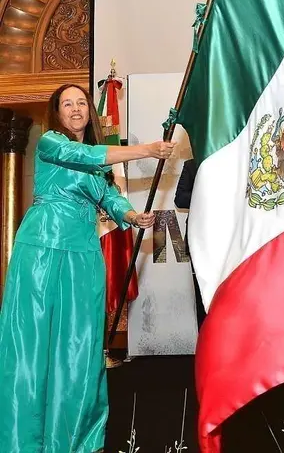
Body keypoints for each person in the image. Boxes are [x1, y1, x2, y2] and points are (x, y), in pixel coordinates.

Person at [0, 84, 175, 453]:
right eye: (68, 103)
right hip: (42, 250)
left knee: (79, 346)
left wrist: (131, 215)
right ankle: (23, 442)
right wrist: (147, 149)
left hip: (82, 254)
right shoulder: (51, 143)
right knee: (33, 345)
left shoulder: (97, 171)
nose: (77, 108)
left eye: (81, 102)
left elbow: (110, 197)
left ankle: (72, 442)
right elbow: (88, 155)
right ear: (57, 112)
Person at [174, 158, 206, 328]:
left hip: (232, 242)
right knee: (202, 299)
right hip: (199, 240)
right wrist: (207, 192)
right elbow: (180, 199)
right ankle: (204, 350)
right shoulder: (192, 164)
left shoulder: (235, 161)